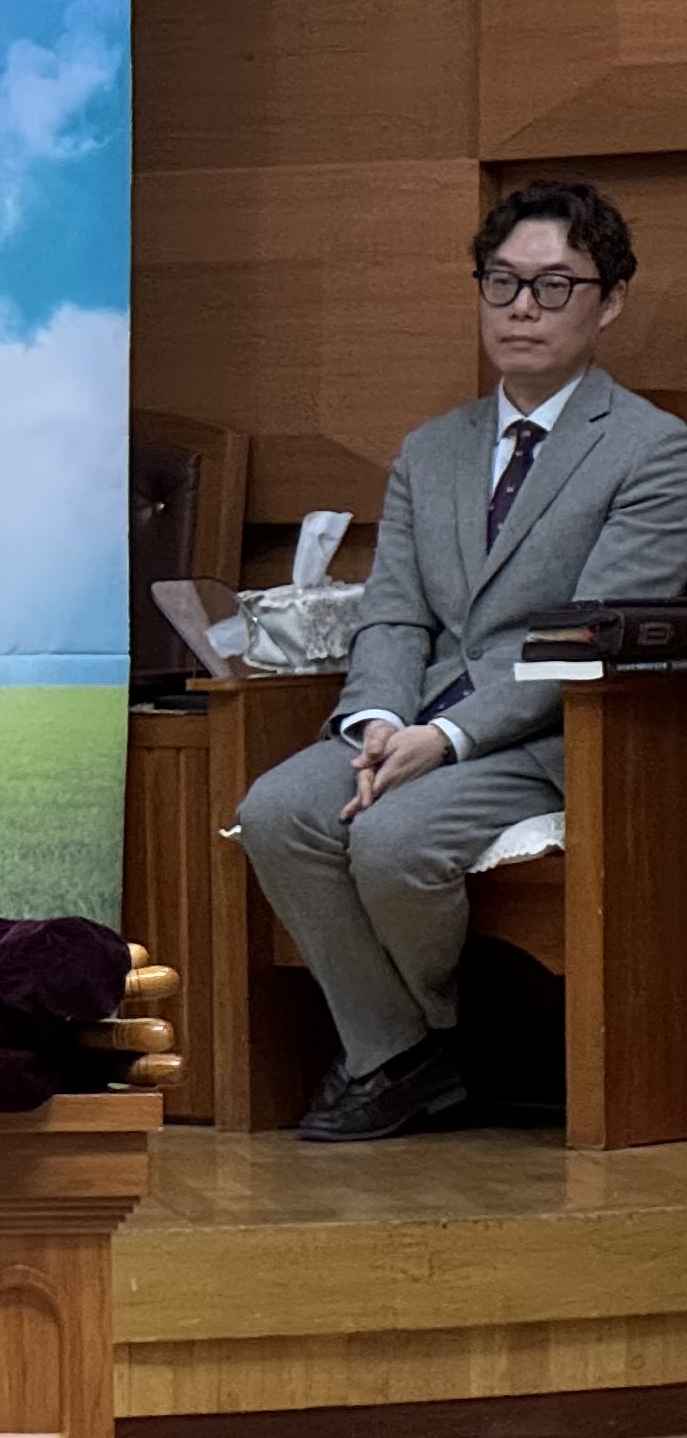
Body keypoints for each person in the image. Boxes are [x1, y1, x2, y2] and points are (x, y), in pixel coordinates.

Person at [234, 179, 687, 1141]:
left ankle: (419, 1047)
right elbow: (394, 613)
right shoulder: (432, 449)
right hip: (418, 714)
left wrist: (445, 737)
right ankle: (401, 1052)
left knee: (394, 842)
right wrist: (379, 720)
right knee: (275, 809)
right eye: (502, 282)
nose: (522, 308)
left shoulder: (655, 453)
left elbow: (588, 636)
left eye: (554, 286)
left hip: (555, 733)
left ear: (609, 302)